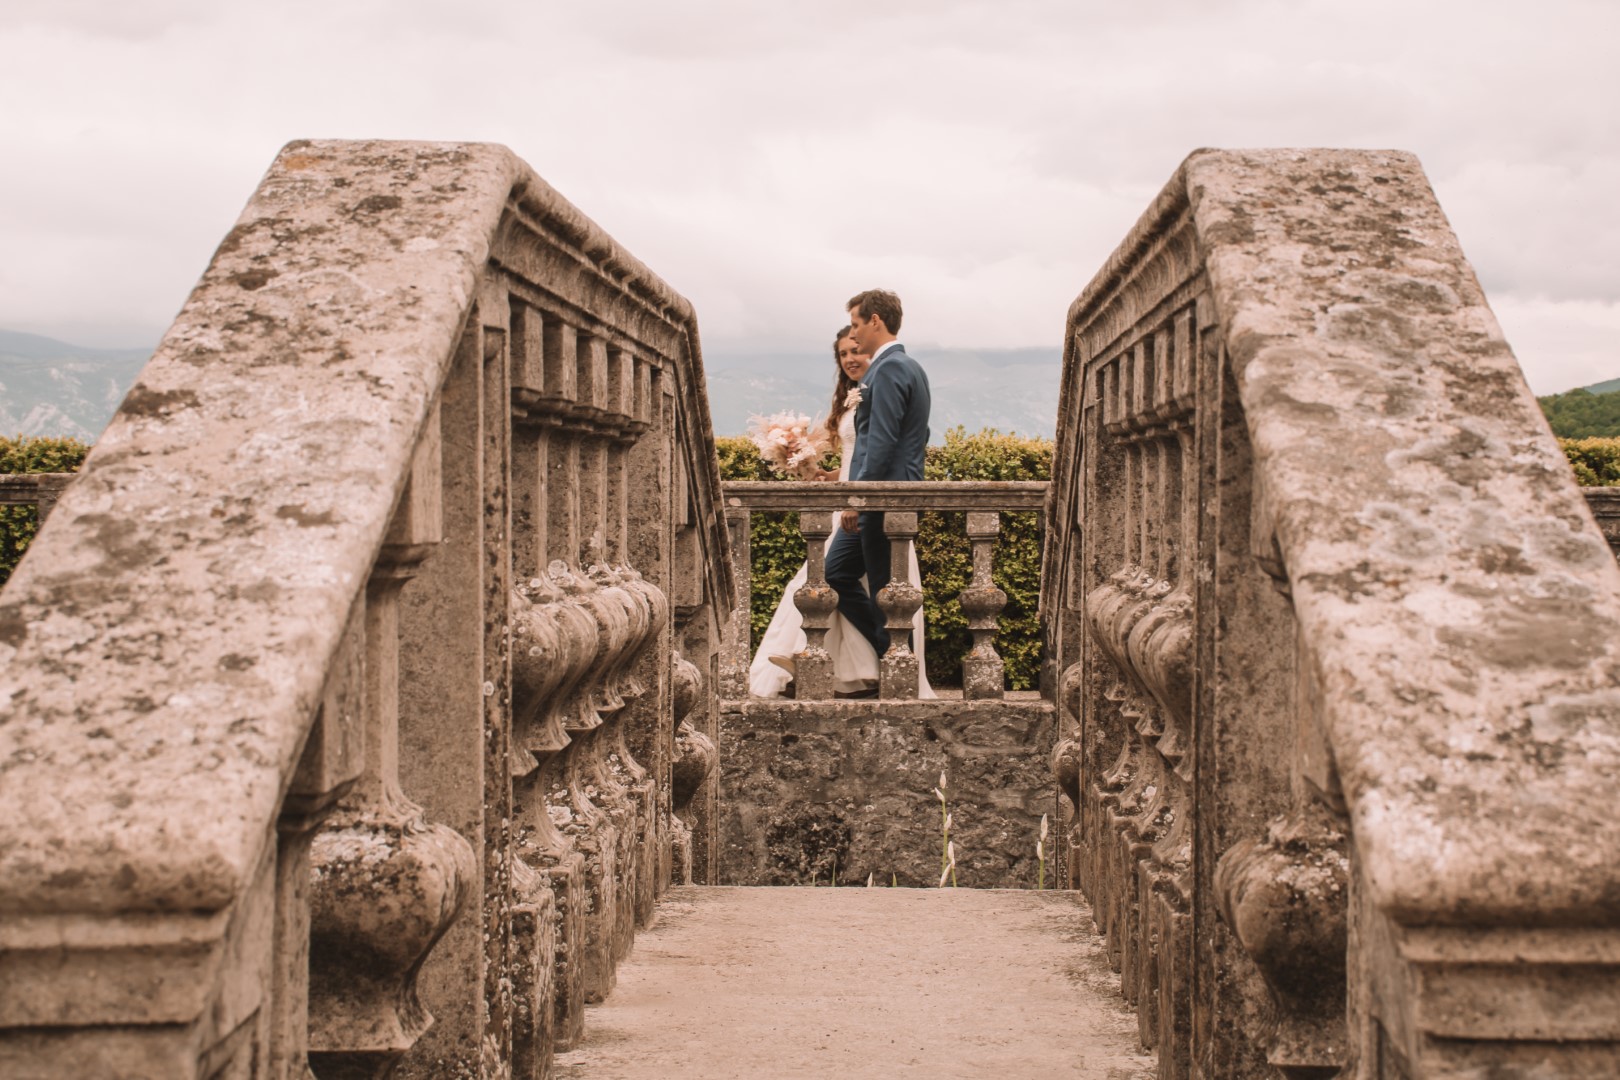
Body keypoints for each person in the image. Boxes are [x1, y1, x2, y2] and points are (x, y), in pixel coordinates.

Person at [748, 327, 933, 698]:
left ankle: (890, 662)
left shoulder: (886, 378)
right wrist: (827, 474)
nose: (850, 358)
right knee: (836, 577)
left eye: (855, 350)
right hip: (853, 498)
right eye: (843, 354)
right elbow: (860, 456)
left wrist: (855, 498)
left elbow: (885, 448)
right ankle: (866, 664)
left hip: (865, 501)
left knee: (850, 579)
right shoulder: (858, 394)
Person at [824, 289, 932, 679]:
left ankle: (900, 675)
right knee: (836, 573)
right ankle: (887, 656)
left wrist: (858, 498)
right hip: (888, 494)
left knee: (886, 591)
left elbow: (881, 441)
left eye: (856, 324)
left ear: (875, 321)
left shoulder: (888, 369)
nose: (853, 334)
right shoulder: (909, 367)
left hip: (883, 499)